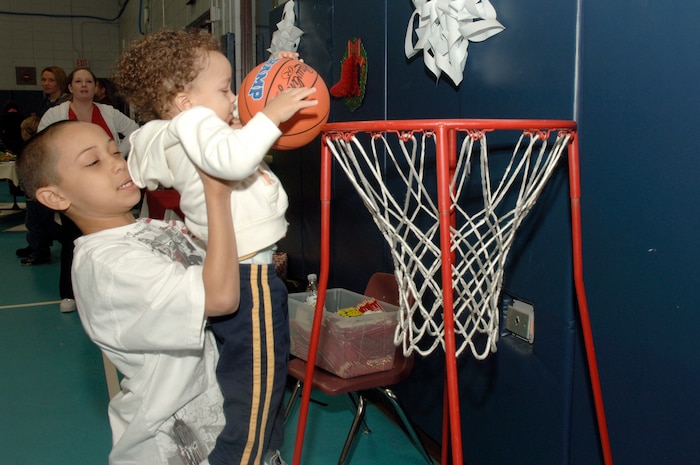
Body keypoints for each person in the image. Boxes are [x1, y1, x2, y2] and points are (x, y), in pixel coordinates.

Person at [113, 28, 317, 465]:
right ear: (185, 101)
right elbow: (234, 163)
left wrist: (241, 127)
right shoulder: (194, 123)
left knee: (246, 378)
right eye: (225, 89)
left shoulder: (174, 130)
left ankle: (260, 453)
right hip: (251, 276)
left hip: (229, 268)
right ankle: (243, 458)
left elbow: (220, 161)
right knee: (259, 386)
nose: (231, 98)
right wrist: (271, 115)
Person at [16, 119, 240, 465]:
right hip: (173, 442)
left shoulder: (152, 227)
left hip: (225, 419)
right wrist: (216, 193)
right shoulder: (107, 265)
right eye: (93, 162)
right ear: (55, 196)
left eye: (114, 152)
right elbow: (219, 297)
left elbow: (224, 254)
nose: (119, 163)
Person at [37, 67, 140, 313]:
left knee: (115, 235)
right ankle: (69, 294)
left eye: (89, 81)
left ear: (96, 87)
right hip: (75, 188)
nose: (84, 85)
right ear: (70, 87)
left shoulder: (109, 113)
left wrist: (117, 151)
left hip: (107, 185)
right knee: (73, 239)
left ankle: (115, 292)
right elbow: (42, 148)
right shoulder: (56, 114)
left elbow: (135, 130)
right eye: (78, 81)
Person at [16, 66, 69, 270]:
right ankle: (37, 245)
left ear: (60, 82)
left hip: (55, 160)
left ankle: (41, 248)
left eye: (51, 80)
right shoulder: (45, 103)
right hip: (42, 157)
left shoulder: (64, 105)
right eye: (44, 79)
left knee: (42, 209)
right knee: (36, 208)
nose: (46, 83)